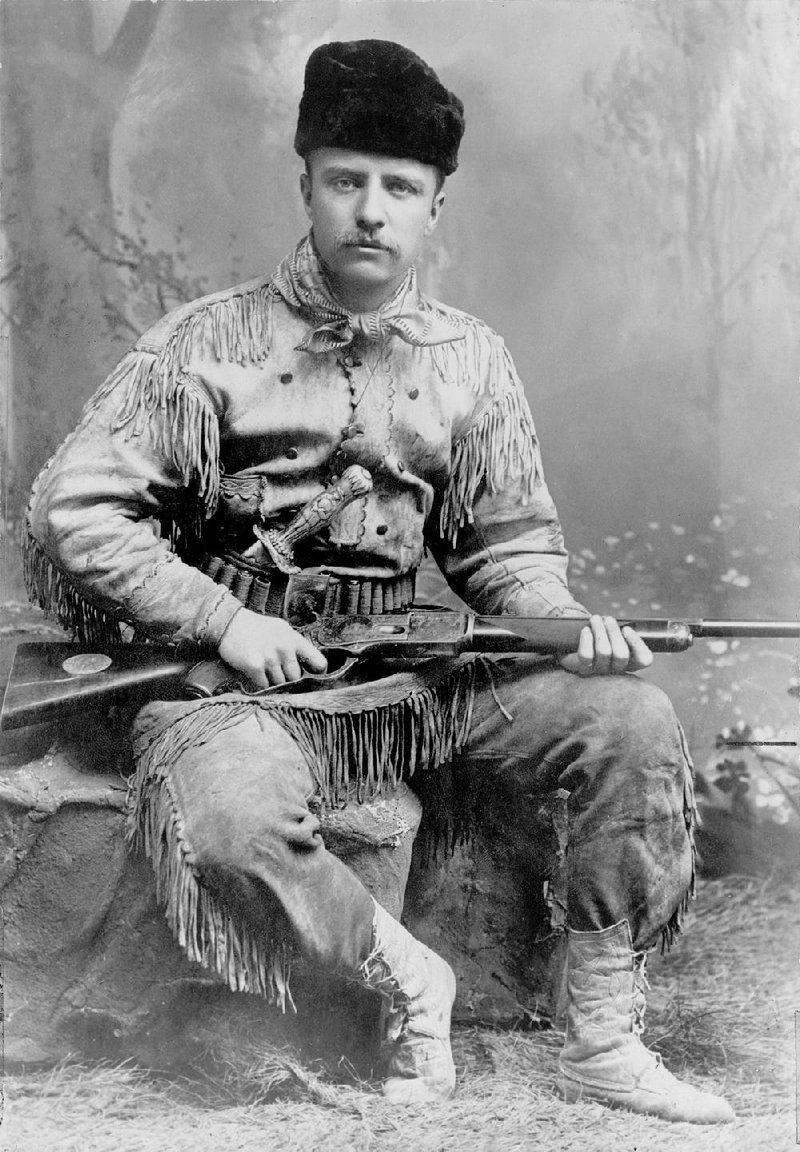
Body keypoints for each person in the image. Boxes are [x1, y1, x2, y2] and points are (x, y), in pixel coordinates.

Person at [24, 40, 733, 1123]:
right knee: (227, 824)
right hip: (236, 689)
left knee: (627, 720)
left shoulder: (469, 361)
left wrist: (557, 625)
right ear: (304, 183)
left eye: (399, 188)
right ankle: (407, 982)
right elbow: (76, 510)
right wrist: (221, 618)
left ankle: (600, 1036)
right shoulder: (201, 347)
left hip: (405, 684)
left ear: (434, 207)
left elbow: (505, 552)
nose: (369, 210)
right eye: (345, 179)